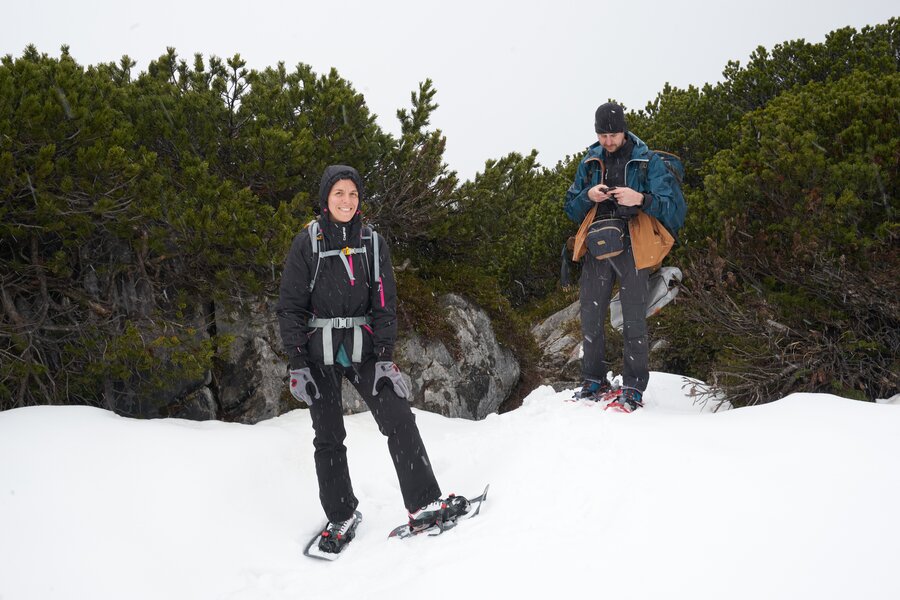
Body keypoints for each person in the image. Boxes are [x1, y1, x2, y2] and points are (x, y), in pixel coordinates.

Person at [276, 165, 467, 554]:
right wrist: (297, 363)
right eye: (338, 194)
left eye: (353, 194)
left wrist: (385, 357)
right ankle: (341, 514)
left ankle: (424, 502)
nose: (346, 201)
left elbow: (384, 303)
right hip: (318, 355)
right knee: (328, 436)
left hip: (365, 352)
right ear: (326, 199)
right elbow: (291, 306)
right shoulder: (306, 244)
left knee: (398, 417)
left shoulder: (373, 244)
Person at [563, 103, 682, 412]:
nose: (608, 141)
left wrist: (640, 198)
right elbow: (570, 208)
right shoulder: (590, 161)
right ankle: (593, 380)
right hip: (599, 246)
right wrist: (587, 196)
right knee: (590, 315)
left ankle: (633, 387)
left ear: (624, 130)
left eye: (613, 134)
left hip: (635, 244)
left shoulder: (646, 160)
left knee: (633, 318)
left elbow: (673, 208)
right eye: (602, 135)